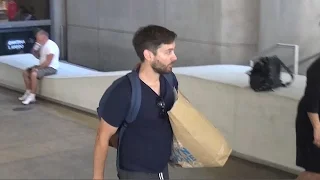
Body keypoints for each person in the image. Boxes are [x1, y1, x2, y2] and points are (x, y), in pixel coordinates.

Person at [93, 25, 178, 180]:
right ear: (148, 55)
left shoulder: (170, 79)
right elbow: (102, 136)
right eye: (168, 52)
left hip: (161, 167)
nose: (174, 57)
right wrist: (98, 177)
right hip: (135, 172)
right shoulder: (123, 91)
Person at [19, 29, 60, 105]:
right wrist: (35, 51)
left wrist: (37, 68)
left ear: (44, 37)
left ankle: (32, 95)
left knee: (34, 74)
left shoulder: (50, 46)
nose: (37, 41)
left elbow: (48, 62)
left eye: (38, 39)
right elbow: (39, 57)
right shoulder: (43, 45)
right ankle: (28, 92)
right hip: (43, 65)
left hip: (51, 67)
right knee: (25, 72)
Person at [295, 57, 320, 180]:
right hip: (312, 120)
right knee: (314, 171)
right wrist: (317, 128)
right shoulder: (317, 67)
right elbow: (312, 99)